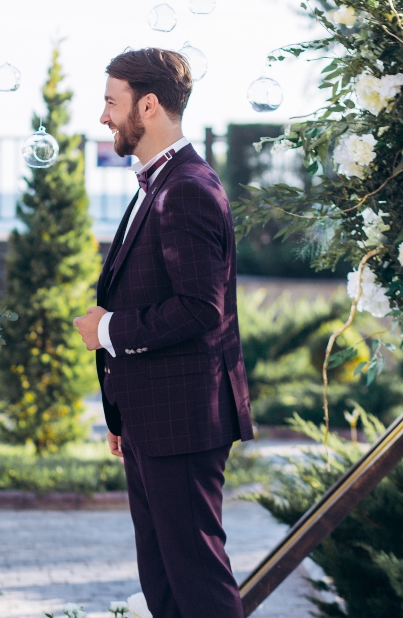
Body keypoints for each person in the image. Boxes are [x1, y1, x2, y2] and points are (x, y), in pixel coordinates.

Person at [73, 48, 253, 618]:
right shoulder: (161, 183)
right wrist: (125, 414)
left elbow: (202, 308)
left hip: (183, 422)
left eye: (111, 101)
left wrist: (108, 330)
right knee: (165, 585)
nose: (103, 116)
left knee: (196, 580)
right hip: (156, 419)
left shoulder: (187, 188)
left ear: (147, 106)